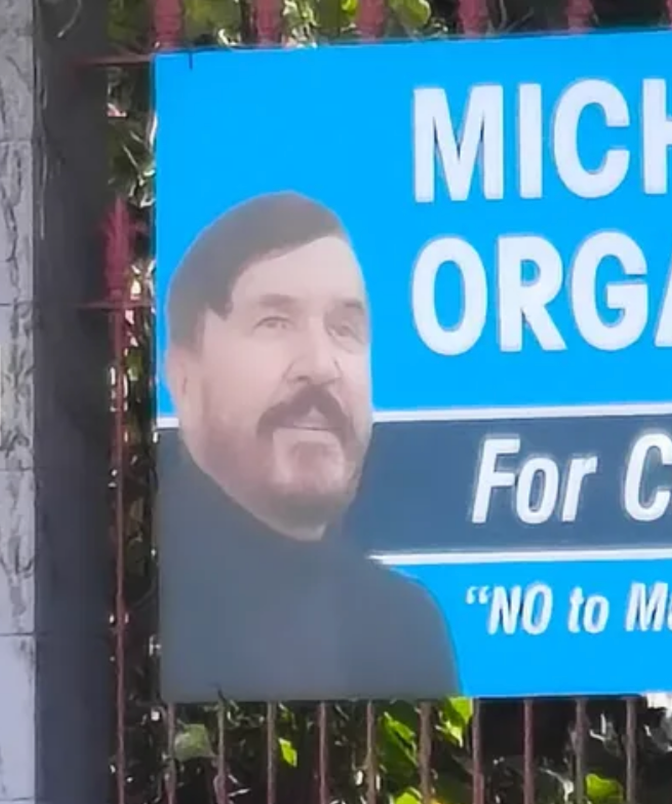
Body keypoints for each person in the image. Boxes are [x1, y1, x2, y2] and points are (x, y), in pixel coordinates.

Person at [157, 191, 459, 702]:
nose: (320, 365)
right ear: (183, 378)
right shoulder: (145, 597)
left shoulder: (407, 629)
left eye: (345, 328)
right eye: (274, 322)